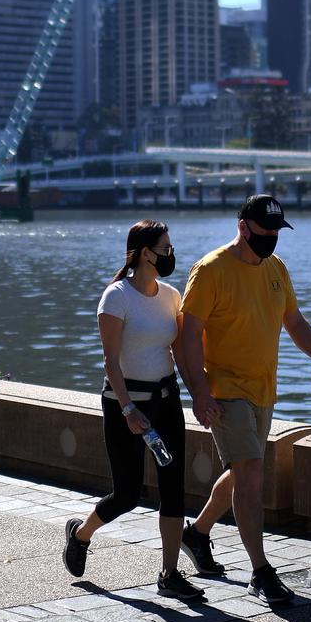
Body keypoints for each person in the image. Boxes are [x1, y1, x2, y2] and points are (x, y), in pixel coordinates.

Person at [178, 194, 311, 604]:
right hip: (224, 391)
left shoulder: (276, 269)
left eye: (277, 231)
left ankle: (197, 534)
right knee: (252, 474)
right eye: (264, 231)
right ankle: (260, 571)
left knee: (243, 472)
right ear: (243, 227)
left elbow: (294, 321)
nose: (271, 238)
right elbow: (187, 337)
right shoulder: (210, 270)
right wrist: (200, 393)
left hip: (263, 388)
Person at [62, 219, 205, 600]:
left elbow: (179, 352)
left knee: (174, 487)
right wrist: (128, 409)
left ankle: (169, 574)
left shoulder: (171, 296)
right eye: (165, 248)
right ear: (145, 253)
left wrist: (199, 396)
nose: (170, 254)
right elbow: (111, 361)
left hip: (166, 400)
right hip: (125, 404)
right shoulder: (116, 297)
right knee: (127, 494)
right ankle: (80, 534)